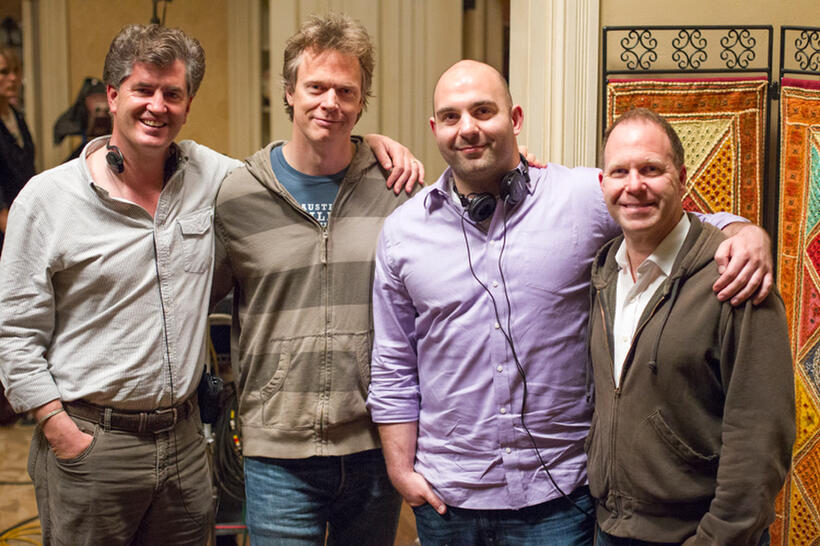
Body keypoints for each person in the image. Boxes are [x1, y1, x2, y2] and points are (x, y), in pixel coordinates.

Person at [0, 23, 416, 545]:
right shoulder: (47, 199)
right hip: (92, 442)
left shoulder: (217, 179)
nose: (158, 106)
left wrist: (370, 145)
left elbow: (302, 159)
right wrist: (59, 428)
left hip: (184, 446)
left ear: (188, 103)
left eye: (172, 93)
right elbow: (15, 332)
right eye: (143, 90)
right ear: (111, 96)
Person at [366, 60, 774, 545]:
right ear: (435, 129)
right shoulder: (402, 233)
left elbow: (662, 207)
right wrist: (400, 470)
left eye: (483, 111)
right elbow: (393, 362)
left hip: (561, 497)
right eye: (451, 117)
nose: (468, 129)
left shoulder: (583, 195)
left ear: (515, 120)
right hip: (446, 498)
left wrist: (746, 231)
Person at [211, 13, 422, 545]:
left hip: (376, 447)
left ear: (361, 100)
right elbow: (191, 297)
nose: (330, 102)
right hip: (277, 452)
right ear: (288, 92)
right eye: (316, 87)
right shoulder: (238, 196)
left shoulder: (398, 187)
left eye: (345, 91)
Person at [587, 107, 794, 545]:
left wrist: (718, 537)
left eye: (651, 169)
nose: (634, 185)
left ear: (681, 177)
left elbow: (760, 434)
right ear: (602, 184)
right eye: (620, 171)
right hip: (612, 529)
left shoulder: (735, 274)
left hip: (700, 534)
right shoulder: (605, 271)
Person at [0, 47, 35, 252]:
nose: (13, 78)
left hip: (20, 212)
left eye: (16, 71)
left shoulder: (17, 116)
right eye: (4, 72)